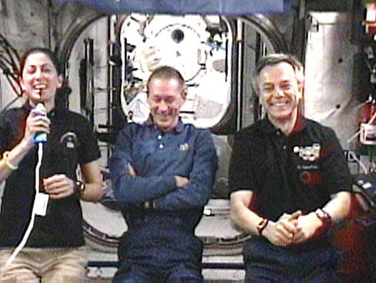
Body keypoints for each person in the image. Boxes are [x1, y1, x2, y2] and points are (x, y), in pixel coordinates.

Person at [0, 47, 103, 282]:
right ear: (22, 81)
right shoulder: (6, 121)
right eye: (31, 71)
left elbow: (97, 188)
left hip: (66, 250)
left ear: (59, 80)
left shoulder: (78, 125)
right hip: (14, 247)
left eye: (46, 70)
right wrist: (24, 144)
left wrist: (76, 188)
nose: (39, 77)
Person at [229, 53, 352, 281]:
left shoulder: (324, 138)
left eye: (285, 85)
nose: (278, 95)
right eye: (268, 88)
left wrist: (317, 219)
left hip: (318, 258)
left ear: (300, 88)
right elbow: (238, 209)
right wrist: (268, 228)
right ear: (259, 95)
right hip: (265, 258)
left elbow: (343, 199)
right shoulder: (246, 142)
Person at [110, 65, 218, 282]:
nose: (162, 107)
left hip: (182, 248)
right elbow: (123, 190)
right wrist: (174, 181)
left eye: (169, 100)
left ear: (183, 97)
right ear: (147, 98)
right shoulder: (130, 136)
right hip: (136, 247)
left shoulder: (199, 139)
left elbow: (198, 193)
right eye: (156, 99)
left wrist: (147, 199)